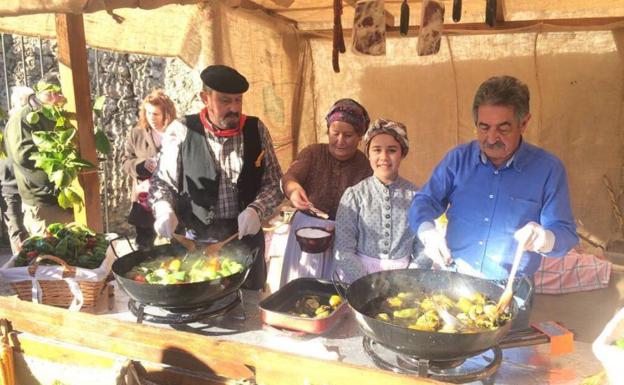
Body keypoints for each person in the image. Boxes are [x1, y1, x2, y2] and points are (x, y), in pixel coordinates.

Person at [408, 75, 579, 328]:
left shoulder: (548, 169)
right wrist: (428, 233)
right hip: (454, 284)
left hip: (510, 292)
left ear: (524, 122)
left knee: (507, 363)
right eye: (483, 127)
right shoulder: (458, 160)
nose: (491, 138)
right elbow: (424, 201)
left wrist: (543, 238)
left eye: (503, 128)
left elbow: (565, 234)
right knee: (450, 360)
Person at [149, 64, 283, 290]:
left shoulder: (255, 129)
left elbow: (274, 182)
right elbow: (162, 183)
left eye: (238, 100)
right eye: (224, 100)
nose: (234, 108)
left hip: (245, 240)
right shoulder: (181, 130)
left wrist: (256, 209)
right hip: (193, 242)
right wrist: (163, 208)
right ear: (205, 98)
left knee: (247, 306)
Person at [279, 98, 372, 287]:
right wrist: (294, 190)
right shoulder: (313, 153)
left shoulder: (365, 166)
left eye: (348, 135)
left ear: (359, 137)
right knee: (302, 287)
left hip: (343, 237)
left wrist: (347, 227)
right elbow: (289, 178)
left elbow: (368, 208)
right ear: (328, 130)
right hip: (306, 234)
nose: (340, 141)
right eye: (335, 133)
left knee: (333, 293)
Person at [334, 118, 425, 283]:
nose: (383, 157)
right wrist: (367, 282)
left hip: (404, 281)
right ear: (368, 153)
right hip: (359, 279)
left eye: (391, 150)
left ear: (402, 153)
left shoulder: (416, 196)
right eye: (377, 150)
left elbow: (424, 248)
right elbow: (344, 249)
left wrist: (409, 278)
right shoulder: (354, 196)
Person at [4, 74, 73, 236]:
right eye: (62, 94)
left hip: (63, 198)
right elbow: (26, 158)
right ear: (54, 93)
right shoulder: (24, 118)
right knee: (49, 254)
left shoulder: (56, 114)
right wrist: (56, 186)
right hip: (44, 201)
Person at [122, 89, 179, 250]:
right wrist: (142, 164)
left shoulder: (178, 133)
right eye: (148, 113)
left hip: (174, 199)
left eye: (156, 114)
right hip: (144, 200)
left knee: (178, 244)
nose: (151, 118)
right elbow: (126, 161)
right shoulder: (137, 134)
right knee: (144, 246)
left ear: (167, 114)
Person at [0, 86, 33, 254]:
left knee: (25, 232)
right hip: (11, 187)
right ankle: (21, 272)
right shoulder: (14, 125)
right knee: (18, 233)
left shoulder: (28, 125)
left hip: (23, 187)